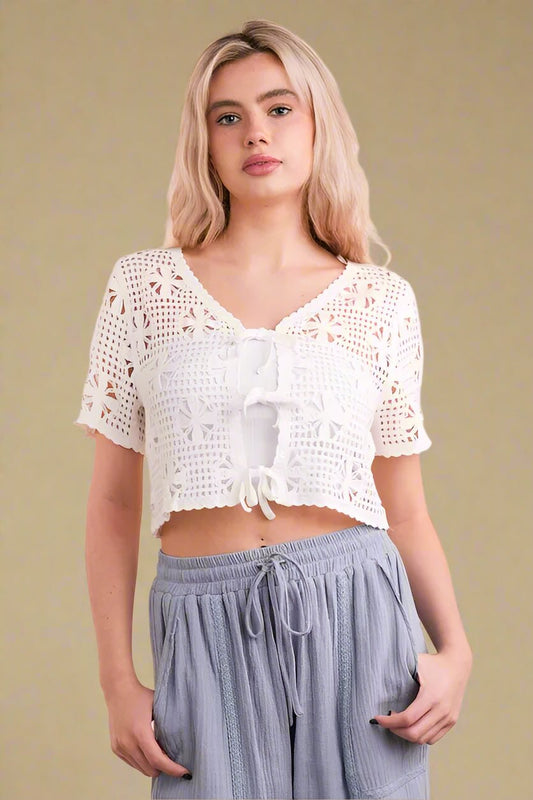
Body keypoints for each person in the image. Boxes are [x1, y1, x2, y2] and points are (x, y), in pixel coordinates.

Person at [73, 18, 473, 800]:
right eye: (228, 116)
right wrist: (117, 680)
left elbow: (403, 507)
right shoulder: (144, 290)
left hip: (357, 612)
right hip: (201, 619)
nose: (255, 132)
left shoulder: (378, 302)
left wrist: (454, 650)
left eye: (279, 108)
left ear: (318, 124)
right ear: (205, 143)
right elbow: (113, 502)